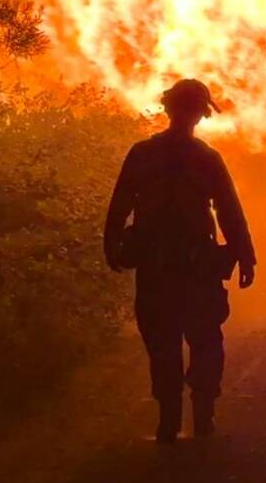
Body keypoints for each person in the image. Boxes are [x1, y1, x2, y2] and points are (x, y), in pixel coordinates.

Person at [103, 78, 256, 443]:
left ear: (168, 108)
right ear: (202, 114)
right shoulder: (206, 159)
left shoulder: (142, 153)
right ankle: (203, 416)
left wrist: (111, 244)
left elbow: (120, 205)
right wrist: (245, 255)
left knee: (162, 343)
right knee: (204, 341)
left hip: (156, 270)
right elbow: (230, 212)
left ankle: (169, 420)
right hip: (196, 269)